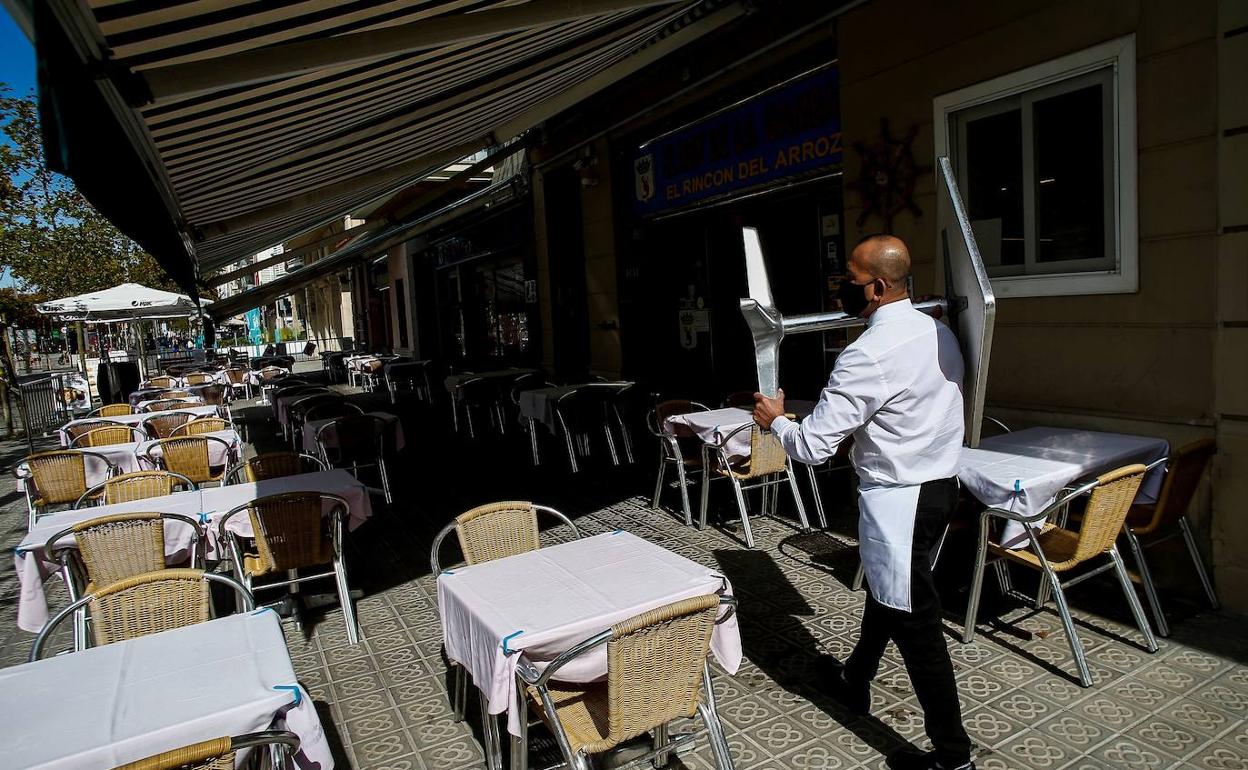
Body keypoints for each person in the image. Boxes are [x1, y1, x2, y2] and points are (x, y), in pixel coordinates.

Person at [752, 233, 973, 770]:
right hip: (940, 488)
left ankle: (954, 756)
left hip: (900, 500)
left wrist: (776, 420)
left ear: (875, 288)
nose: (840, 290)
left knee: (917, 625)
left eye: (849, 281)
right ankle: (855, 679)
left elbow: (813, 447)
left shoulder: (866, 354)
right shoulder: (938, 331)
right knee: (888, 590)